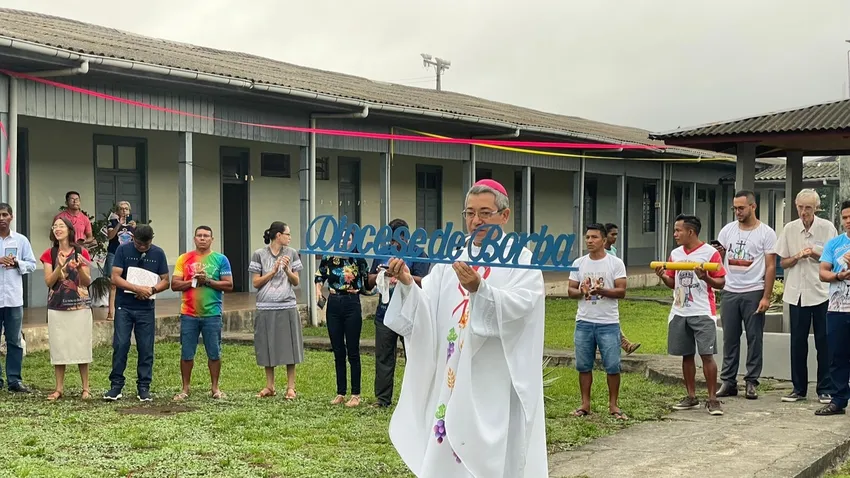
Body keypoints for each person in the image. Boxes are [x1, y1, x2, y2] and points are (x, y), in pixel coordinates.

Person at [382, 179, 547, 477]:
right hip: (452, 375)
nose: (475, 221)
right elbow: (427, 307)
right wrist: (407, 284)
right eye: (470, 213)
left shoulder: (521, 261)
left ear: (504, 216)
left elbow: (523, 308)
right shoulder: (453, 259)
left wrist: (481, 291)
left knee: (490, 457)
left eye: (484, 213)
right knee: (447, 446)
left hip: (493, 378)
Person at [656, 215, 726, 416]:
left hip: (702, 311)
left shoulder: (710, 253)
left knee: (706, 355)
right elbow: (673, 283)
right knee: (686, 355)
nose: (675, 234)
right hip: (680, 311)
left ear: (691, 232)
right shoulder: (675, 254)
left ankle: (712, 399)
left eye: (678, 230)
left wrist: (705, 278)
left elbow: (721, 282)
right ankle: (691, 396)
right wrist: (663, 276)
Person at [774, 189, 837, 404]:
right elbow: (783, 262)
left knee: (824, 342)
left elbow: (833, 260)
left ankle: (825, 388)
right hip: (797, 293)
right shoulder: (790, 228)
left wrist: (814, 253)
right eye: (800, 207)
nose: (804, 212)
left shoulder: (827, 227)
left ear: (816, 208)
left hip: (822, 293)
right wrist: (797, 256)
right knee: (798, 343)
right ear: (795, 206)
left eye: (808, 208)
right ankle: (798, 388)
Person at [713, 190, 777, 400]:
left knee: (754, 337)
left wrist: (766, 296)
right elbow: (719, 258)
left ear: (753, 206)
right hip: (730, 290)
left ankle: (751, 381)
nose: (738, 212)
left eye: (741, 208)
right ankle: (728, 381)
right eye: (735, 208)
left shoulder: (766, 233)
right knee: (730, 338)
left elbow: (770, 266)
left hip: (754, 290)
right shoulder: (728, 230)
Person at [366, 218, 431, 408]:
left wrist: (403, 276)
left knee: (414, 357)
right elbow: (368, 281)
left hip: (410, 314)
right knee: (384, 357)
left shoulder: (419, 254)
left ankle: (416, 399)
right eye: (393, 238)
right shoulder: (382, 253)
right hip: (385, 314)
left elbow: (425, 282)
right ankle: (382, 399)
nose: (396, 242)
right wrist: (382, 275)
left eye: (401, 237)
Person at [103, 224, 169, 402]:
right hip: (124, 306)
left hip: (146, 308)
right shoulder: (123, 250)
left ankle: (144, 387)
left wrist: (152, 290)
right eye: (139, 244)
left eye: (146, 244)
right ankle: (116, 386)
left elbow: (165, 280)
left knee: (146, 347)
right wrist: (136, 288)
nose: (142, 247)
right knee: (121, 345)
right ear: (133, 238)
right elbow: (115, 277)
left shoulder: (158, 253)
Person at [569, 223, 629, 421]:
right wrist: (582, 291)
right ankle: (585, 404)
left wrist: (602, 291)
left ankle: (613, 405)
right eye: (587, 237)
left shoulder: (615, 263)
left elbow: (621, 291)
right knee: (583, 365)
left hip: (608, 323)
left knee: (612, 366)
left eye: (594, 237)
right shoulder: (579, 263)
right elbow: (570, 290)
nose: (589, 241)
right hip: (584, 321)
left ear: (604, 240)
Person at [171, 226, 233, 401]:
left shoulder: (221, 259)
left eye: (206, 236)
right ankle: (185, 388)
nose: (203, 238)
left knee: (214, 353)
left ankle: (215, 388)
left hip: (212, 313)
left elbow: (229, 285)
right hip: (188, 314)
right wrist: (193, 281)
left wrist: (208, 281)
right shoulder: (184, 259)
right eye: (199, 235)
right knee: (187, 353)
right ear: (194, 239)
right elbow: (174, 285)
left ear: (212, 239)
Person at [40, 217, 94, 400]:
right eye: (55, 226)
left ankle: (85, 388)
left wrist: (80, 269)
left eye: (61, 226)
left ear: (70, 230)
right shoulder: (49, 253)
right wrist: (60, 266)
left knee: (81, 345)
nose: (57, 229)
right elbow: (49, 282)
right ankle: (58, 389)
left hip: (80, 305)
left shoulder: (81, 252)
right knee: (59, 346)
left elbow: (87, 281)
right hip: (57, 306)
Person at [249, 221, 303, 400]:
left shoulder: (291, 253)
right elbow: (255, 282)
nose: (290, 237)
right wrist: (272, 271)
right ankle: (269, 386)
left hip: (287, 305)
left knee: (290, 346)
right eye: (288, 234)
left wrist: (287, 270)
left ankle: (291, 387)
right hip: (265, 306)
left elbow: (296, 281)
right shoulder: (259, 254)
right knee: (266, 345)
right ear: (278, 235)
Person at [315, 232, 370, 407]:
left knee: (353, 350)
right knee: (338, 350)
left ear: (353, 241)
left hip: (351, 302)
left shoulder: (358, 259)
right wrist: (318, 292)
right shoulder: (329, 257)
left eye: (348, 239)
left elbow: (367, 280)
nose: (344, 241)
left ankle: (355, 394)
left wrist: (361, 289)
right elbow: (319, 276)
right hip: (334, 302)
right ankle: (341, 392)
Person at [816, 200, 850, 416]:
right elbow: (823, 272)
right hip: (838, 307)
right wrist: (838, 275)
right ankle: (838, 399)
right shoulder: (834, 244)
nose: (848, 221)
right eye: (845, 217)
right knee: (837, 355)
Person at [0, 203, 36, 393]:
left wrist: (17, 264)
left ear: (11, 217)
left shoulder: (21, 240)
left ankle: (14, 380)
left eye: (4, 214)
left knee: (14, 340)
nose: (1, 218)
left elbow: (32, 264)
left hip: (13, 299)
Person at [104, 201, 136, 321]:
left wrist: (135, 229)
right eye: (121, 209)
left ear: (129, 211)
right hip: (114, 254)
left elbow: (136, 242)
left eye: (126, 209)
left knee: (128, 282)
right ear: (117, 211)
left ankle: (127, 310)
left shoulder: (132, 225)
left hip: (128, 256)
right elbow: (110, 236)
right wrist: (119, 224)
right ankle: (110, 312)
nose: (124, 211)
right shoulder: (112, 222)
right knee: (113, 283)